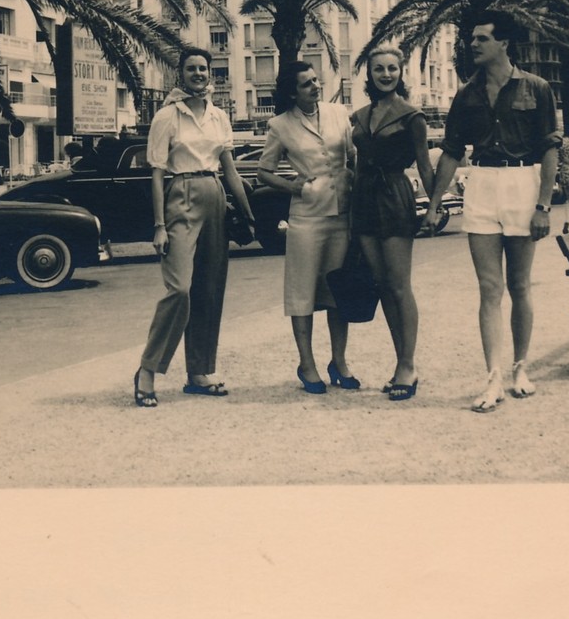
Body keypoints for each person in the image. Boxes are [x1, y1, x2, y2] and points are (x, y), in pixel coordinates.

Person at [422, 12, 561, 412]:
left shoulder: (536, 87)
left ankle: (521, 367)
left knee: (519, 285)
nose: (473, 44)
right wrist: (433, 206)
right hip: (481, 185)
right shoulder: (466, 95)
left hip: (523, 185)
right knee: (489, 288)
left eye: (482, 38)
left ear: (503, 44)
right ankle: (493, 376)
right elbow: (451, 152)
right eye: (471, 39)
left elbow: (550, 148)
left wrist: (543, 206)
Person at [133, 47, 255, 407]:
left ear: (210, 74)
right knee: (180, 289)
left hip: (214, 194)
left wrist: (248, 215)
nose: (198, 74)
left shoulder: (219, 116)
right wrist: (159, 225)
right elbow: (157, 173)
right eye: (191, 69)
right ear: (180, 74)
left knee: (209, 288)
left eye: (204, 69)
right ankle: (147, 371)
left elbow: (230, 169)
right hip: (180, 196)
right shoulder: (168, 117)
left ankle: (199, 372)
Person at [257, 61, 359, 394]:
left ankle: (339, 361)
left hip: (342, 214)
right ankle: (307, 363)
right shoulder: (280, 125)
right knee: (302, 293)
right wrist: (294, 187)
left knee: (338, 291)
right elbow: (264, 172)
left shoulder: (338, 113)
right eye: (306, 84)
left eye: (316, 81)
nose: (315, 87)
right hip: (307, 218)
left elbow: (352, 155)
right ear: (291, 92)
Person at [351, 46, 435, 401]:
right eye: (379, 69)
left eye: (392, 69)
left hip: (395, 195)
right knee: (382, 284)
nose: (386, 74)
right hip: (365, 197)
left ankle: (407, 364)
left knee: (400, 285)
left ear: (401, 73)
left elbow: (425, 165)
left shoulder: (412, 116)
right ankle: (401, 361)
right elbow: (356, 163)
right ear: (368, 74)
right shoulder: (359, 115)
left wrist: (434, 205)